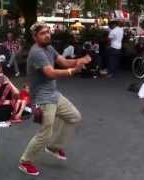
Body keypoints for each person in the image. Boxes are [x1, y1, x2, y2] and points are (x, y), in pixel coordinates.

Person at [18, 22, 91, 176]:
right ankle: (25, 161)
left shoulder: (48, 48)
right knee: (45, 132)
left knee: (74, 117)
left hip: (53, 94)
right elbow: (50, 73)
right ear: (35, 36)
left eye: (48, 32)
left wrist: (79, 61)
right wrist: (72, 71)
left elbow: (63, 62)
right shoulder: (37, 52)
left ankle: (53, 147)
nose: (47, 35)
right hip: (42, 98)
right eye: (42, 33)